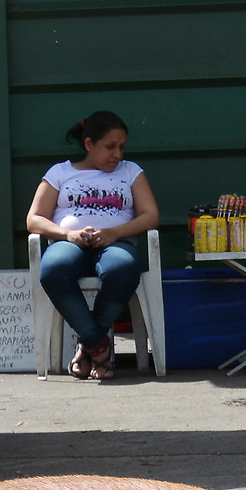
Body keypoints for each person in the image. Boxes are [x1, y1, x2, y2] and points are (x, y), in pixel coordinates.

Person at [26, 110, 159, 380]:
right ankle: (98, 346)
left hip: (115, 244)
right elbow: (34, 219)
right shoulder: (60, 173)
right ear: (89, 144)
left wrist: (114, 232)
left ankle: (88, 346)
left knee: (122, 268)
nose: (117, 154)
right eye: (110, 147)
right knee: (54, 269)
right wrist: (67, 234)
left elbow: (151, 215)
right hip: (69, 243)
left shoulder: (130, 172)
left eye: (121, 147)